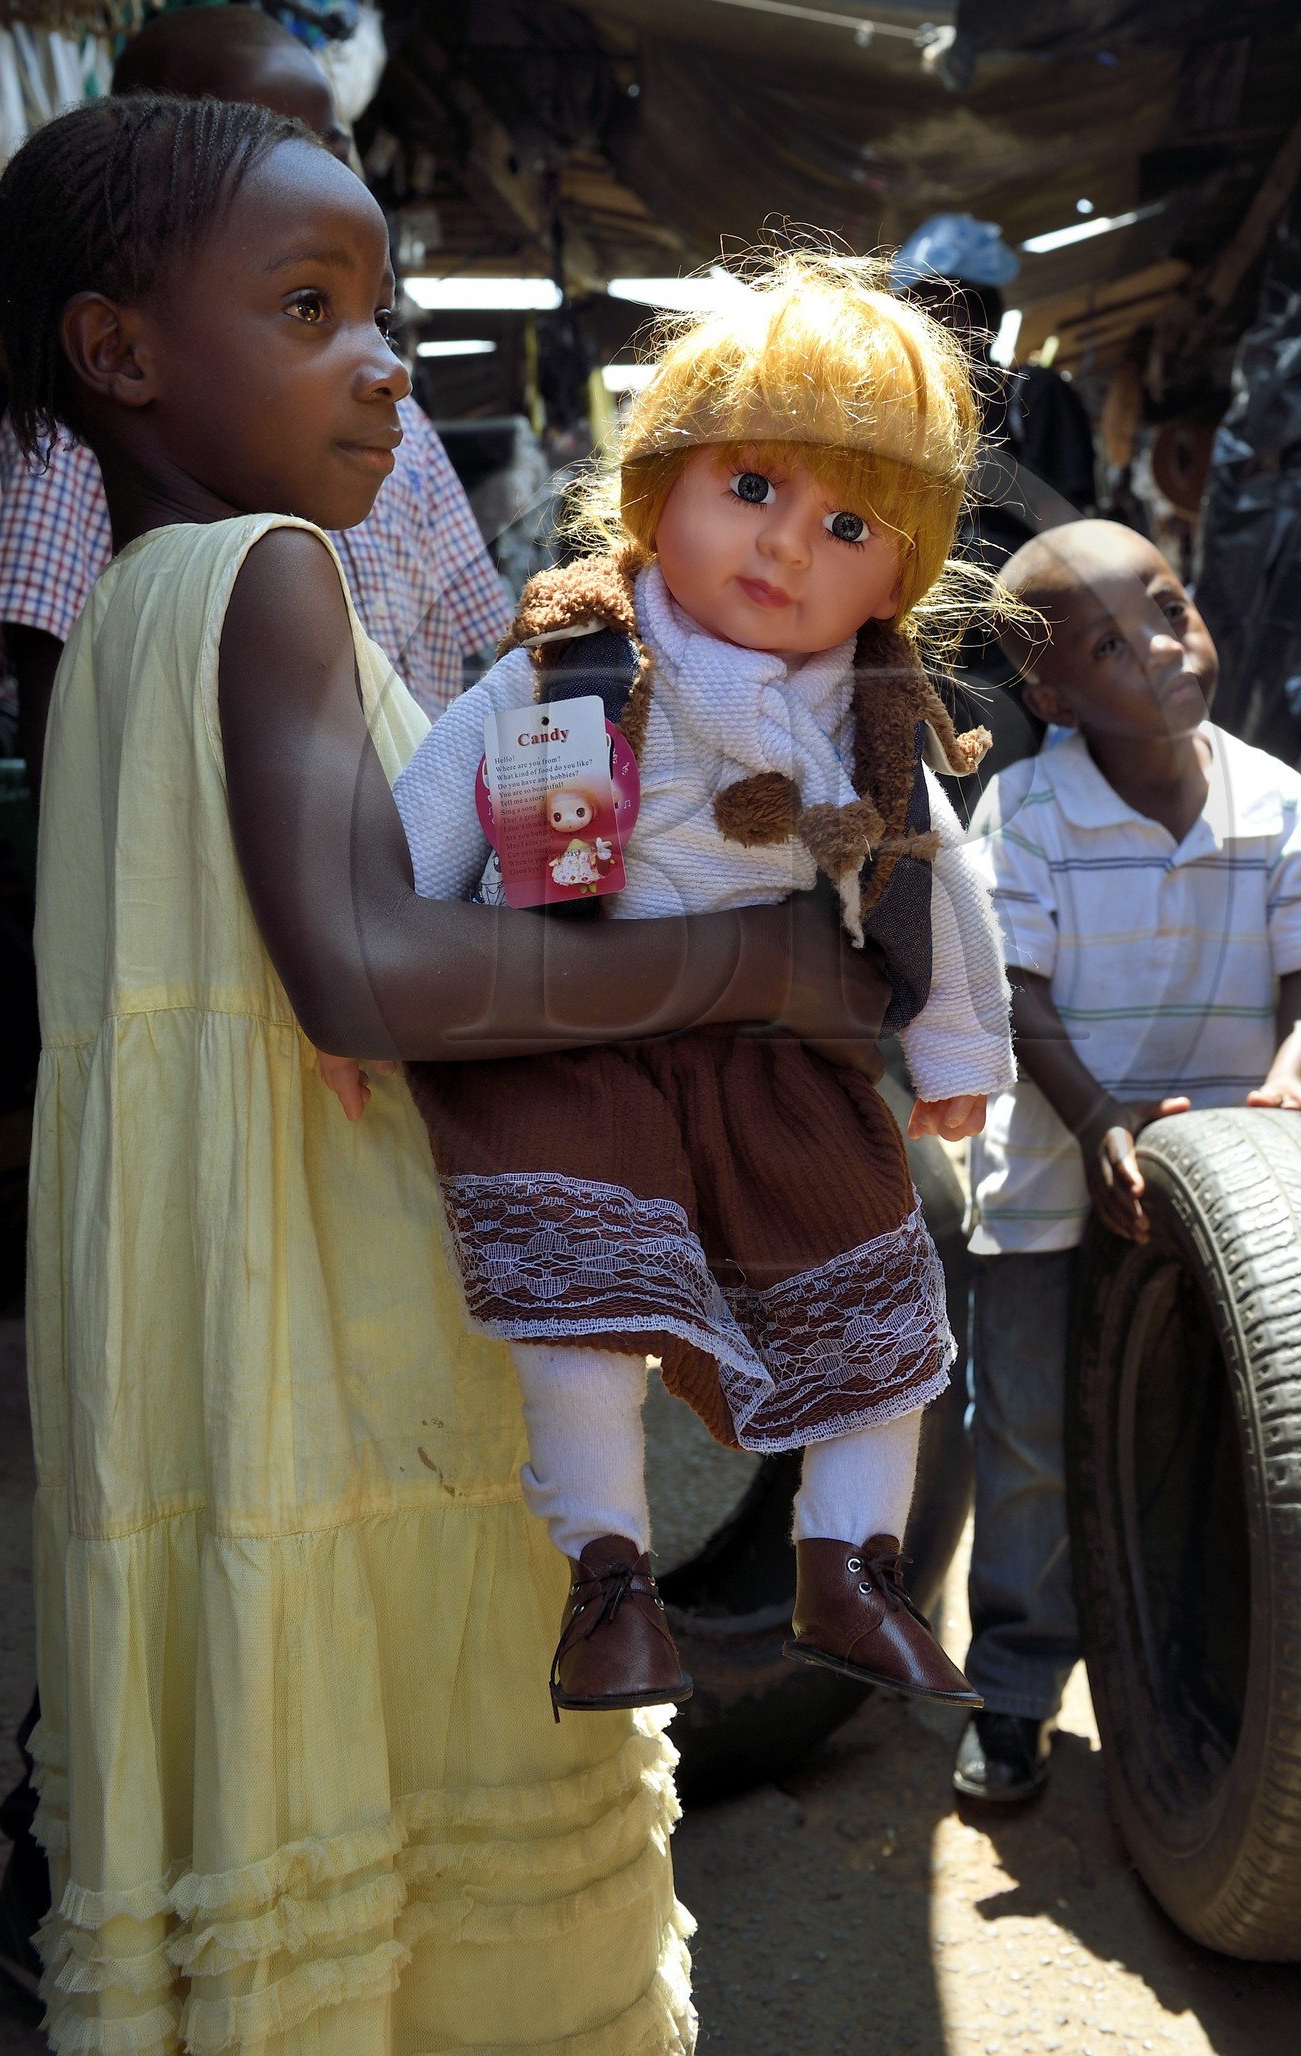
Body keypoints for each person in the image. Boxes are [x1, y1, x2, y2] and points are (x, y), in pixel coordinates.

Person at [0, 93, 887, 2051]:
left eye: (380, 307)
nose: (386, 360)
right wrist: (747, 958)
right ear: (119, 352)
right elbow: (368, 975)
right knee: (438, 1753)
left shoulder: (133, 614)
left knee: (272, 1768)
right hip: (358, 1310)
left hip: (219, 1322)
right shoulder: (270, 573)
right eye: (312, 307)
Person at [382, 252, 1016, 1715]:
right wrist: (379, 987)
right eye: (751, 487)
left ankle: (849, 1569)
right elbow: (429, 814)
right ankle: (610, 1578)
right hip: (565, 1038)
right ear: (659, 481)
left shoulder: (868, 722)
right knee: (581, 1312)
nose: (787, 547)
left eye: (846, 522)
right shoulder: (566, 667)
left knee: (879, 1301)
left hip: (763, 1062)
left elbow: (938, 887)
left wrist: (958, 1045)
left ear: (902, 571)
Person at [955, 519, 1301, 1805]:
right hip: (1048, 1183)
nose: (1158, 647)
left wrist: (1293, 1075)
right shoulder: (1024, 810)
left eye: (1169, 606)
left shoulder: (1272, 792)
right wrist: (1095, 1124)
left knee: (1206, 1425)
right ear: (1051, 696)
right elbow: (1013, 996)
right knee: (1025, 1442)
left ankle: (1207, 1674)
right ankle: (1017, 1692)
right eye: (1105, 643)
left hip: (1236, 1192)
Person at [0, 6, 508, 789]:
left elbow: (475, 644)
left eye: (331, 140)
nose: (318, 167)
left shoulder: (400, 422)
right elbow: (58, 693)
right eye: (310, 307)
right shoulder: (103, 447)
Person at [891, 212, 1101, 801]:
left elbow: (1075, 530)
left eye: (952, 305)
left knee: (1001, 800)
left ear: (988, 316)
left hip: (1012, 653)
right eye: (920, 305)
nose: (935, 321)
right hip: (917, 649)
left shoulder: (1032, 396)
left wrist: (973, 471)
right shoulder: (900, 415)